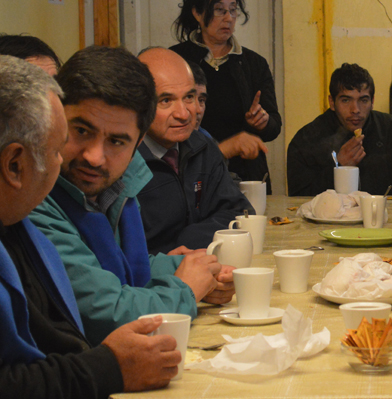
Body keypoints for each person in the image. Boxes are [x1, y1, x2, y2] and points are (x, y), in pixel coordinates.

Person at [0, 55, 181, 398]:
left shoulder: (14, 223)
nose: (92, 158)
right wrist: (107, 369)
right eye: (56, 150)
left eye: (116, 141)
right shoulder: (32, 211)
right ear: (13, 164)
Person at [28, 46, 234, 346]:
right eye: (82, 131)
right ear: (56, 119)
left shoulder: (120, 183)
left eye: (116, 141)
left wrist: (195, 270)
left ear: (138, 142)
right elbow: (104, 314)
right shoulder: (33, 196)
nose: (95, 157)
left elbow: (116, 266)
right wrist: (185, 289)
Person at [136, 47, 254, 254]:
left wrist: (186, 242)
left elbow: (239, 214)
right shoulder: (121, 159)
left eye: (189, 97)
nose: (184, 114)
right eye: (166, 100)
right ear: (138, 103)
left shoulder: (202, 146)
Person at [287, 63, 392, 196]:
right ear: (331, 102)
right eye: (345, 100)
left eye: (363, 100)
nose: (355, 109)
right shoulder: (307, 139)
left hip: (385, 220)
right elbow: (298, 196)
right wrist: (339, 166)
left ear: (372, 101)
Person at [171, 0, 281, 193]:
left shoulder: (254, 64)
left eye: (233, 10)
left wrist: (263, 121)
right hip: (191, 176)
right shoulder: (176, 60)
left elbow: (274, 127)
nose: (229, 18)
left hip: (246, 178)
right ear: (197, 12)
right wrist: (224, 148)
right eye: (220, 10)